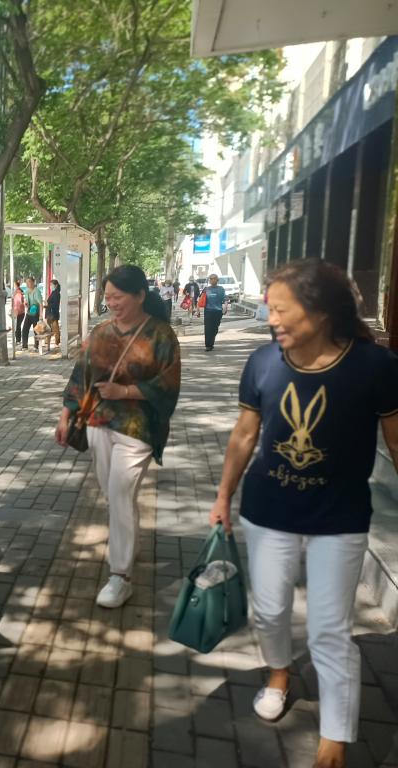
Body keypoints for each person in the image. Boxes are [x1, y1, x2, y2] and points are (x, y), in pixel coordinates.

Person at [209, 259, 398, 768]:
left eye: (281, 309)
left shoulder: (375, 366)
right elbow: (244, 434)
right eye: (269, 309)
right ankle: (278, 673)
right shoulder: (263, 362)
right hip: (268, 511)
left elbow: (396, 441)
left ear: (321, 311)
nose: (271, 319)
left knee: (329, 629)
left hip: (340, 518)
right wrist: (223, 496)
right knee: (269, 611)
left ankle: (335, 737)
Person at [57, 265, 181, 608]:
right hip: (98, 422)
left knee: (120, 492)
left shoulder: (160, 335)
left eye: (118, 297)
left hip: (138, 428)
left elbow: (169, 385)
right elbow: (80, 376)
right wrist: (65, 415)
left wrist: (125, 391)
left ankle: (120, 576)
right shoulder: (101, 333)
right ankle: (129, 542)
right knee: (115, 496)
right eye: (108, 297)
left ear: (140, 295)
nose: (111, 303)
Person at [203, 274, 227, 351]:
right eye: (211, 279)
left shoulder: (221, 289)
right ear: (209, 280)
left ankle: (211, 342)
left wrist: (225, 307)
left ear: (217, 280)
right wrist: (197, 310)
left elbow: (225, 299)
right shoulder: (206, 289)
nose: (212, 280)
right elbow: (200, 300)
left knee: (215, 328)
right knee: (208, 328)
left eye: (214, 279)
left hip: (218, 311)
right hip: (208, 311)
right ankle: (208, 345)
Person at [22, 276, 43, 352]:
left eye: (29, 282)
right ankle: (24, 346)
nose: (28, 284)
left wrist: (41, 315)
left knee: (36, 330)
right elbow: (27, 303)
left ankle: (36, 346)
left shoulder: (37, 291)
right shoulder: (26, 291)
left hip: (36, 313)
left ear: (33, 282)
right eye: (27, 282)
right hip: (29, 312)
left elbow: (41, 304)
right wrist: (25, 304)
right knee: (25, 329)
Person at [45, 278, 61, 357]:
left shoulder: (56, 293)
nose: (50, 286)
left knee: (55, 329)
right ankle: (49, 342)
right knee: (51, 328)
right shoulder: (54, 292)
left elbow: (55, 304)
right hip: (51, 313)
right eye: (50, 285)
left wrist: (47, 305)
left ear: (56, 285)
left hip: (53, 314)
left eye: (51, 285)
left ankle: (57, 342)